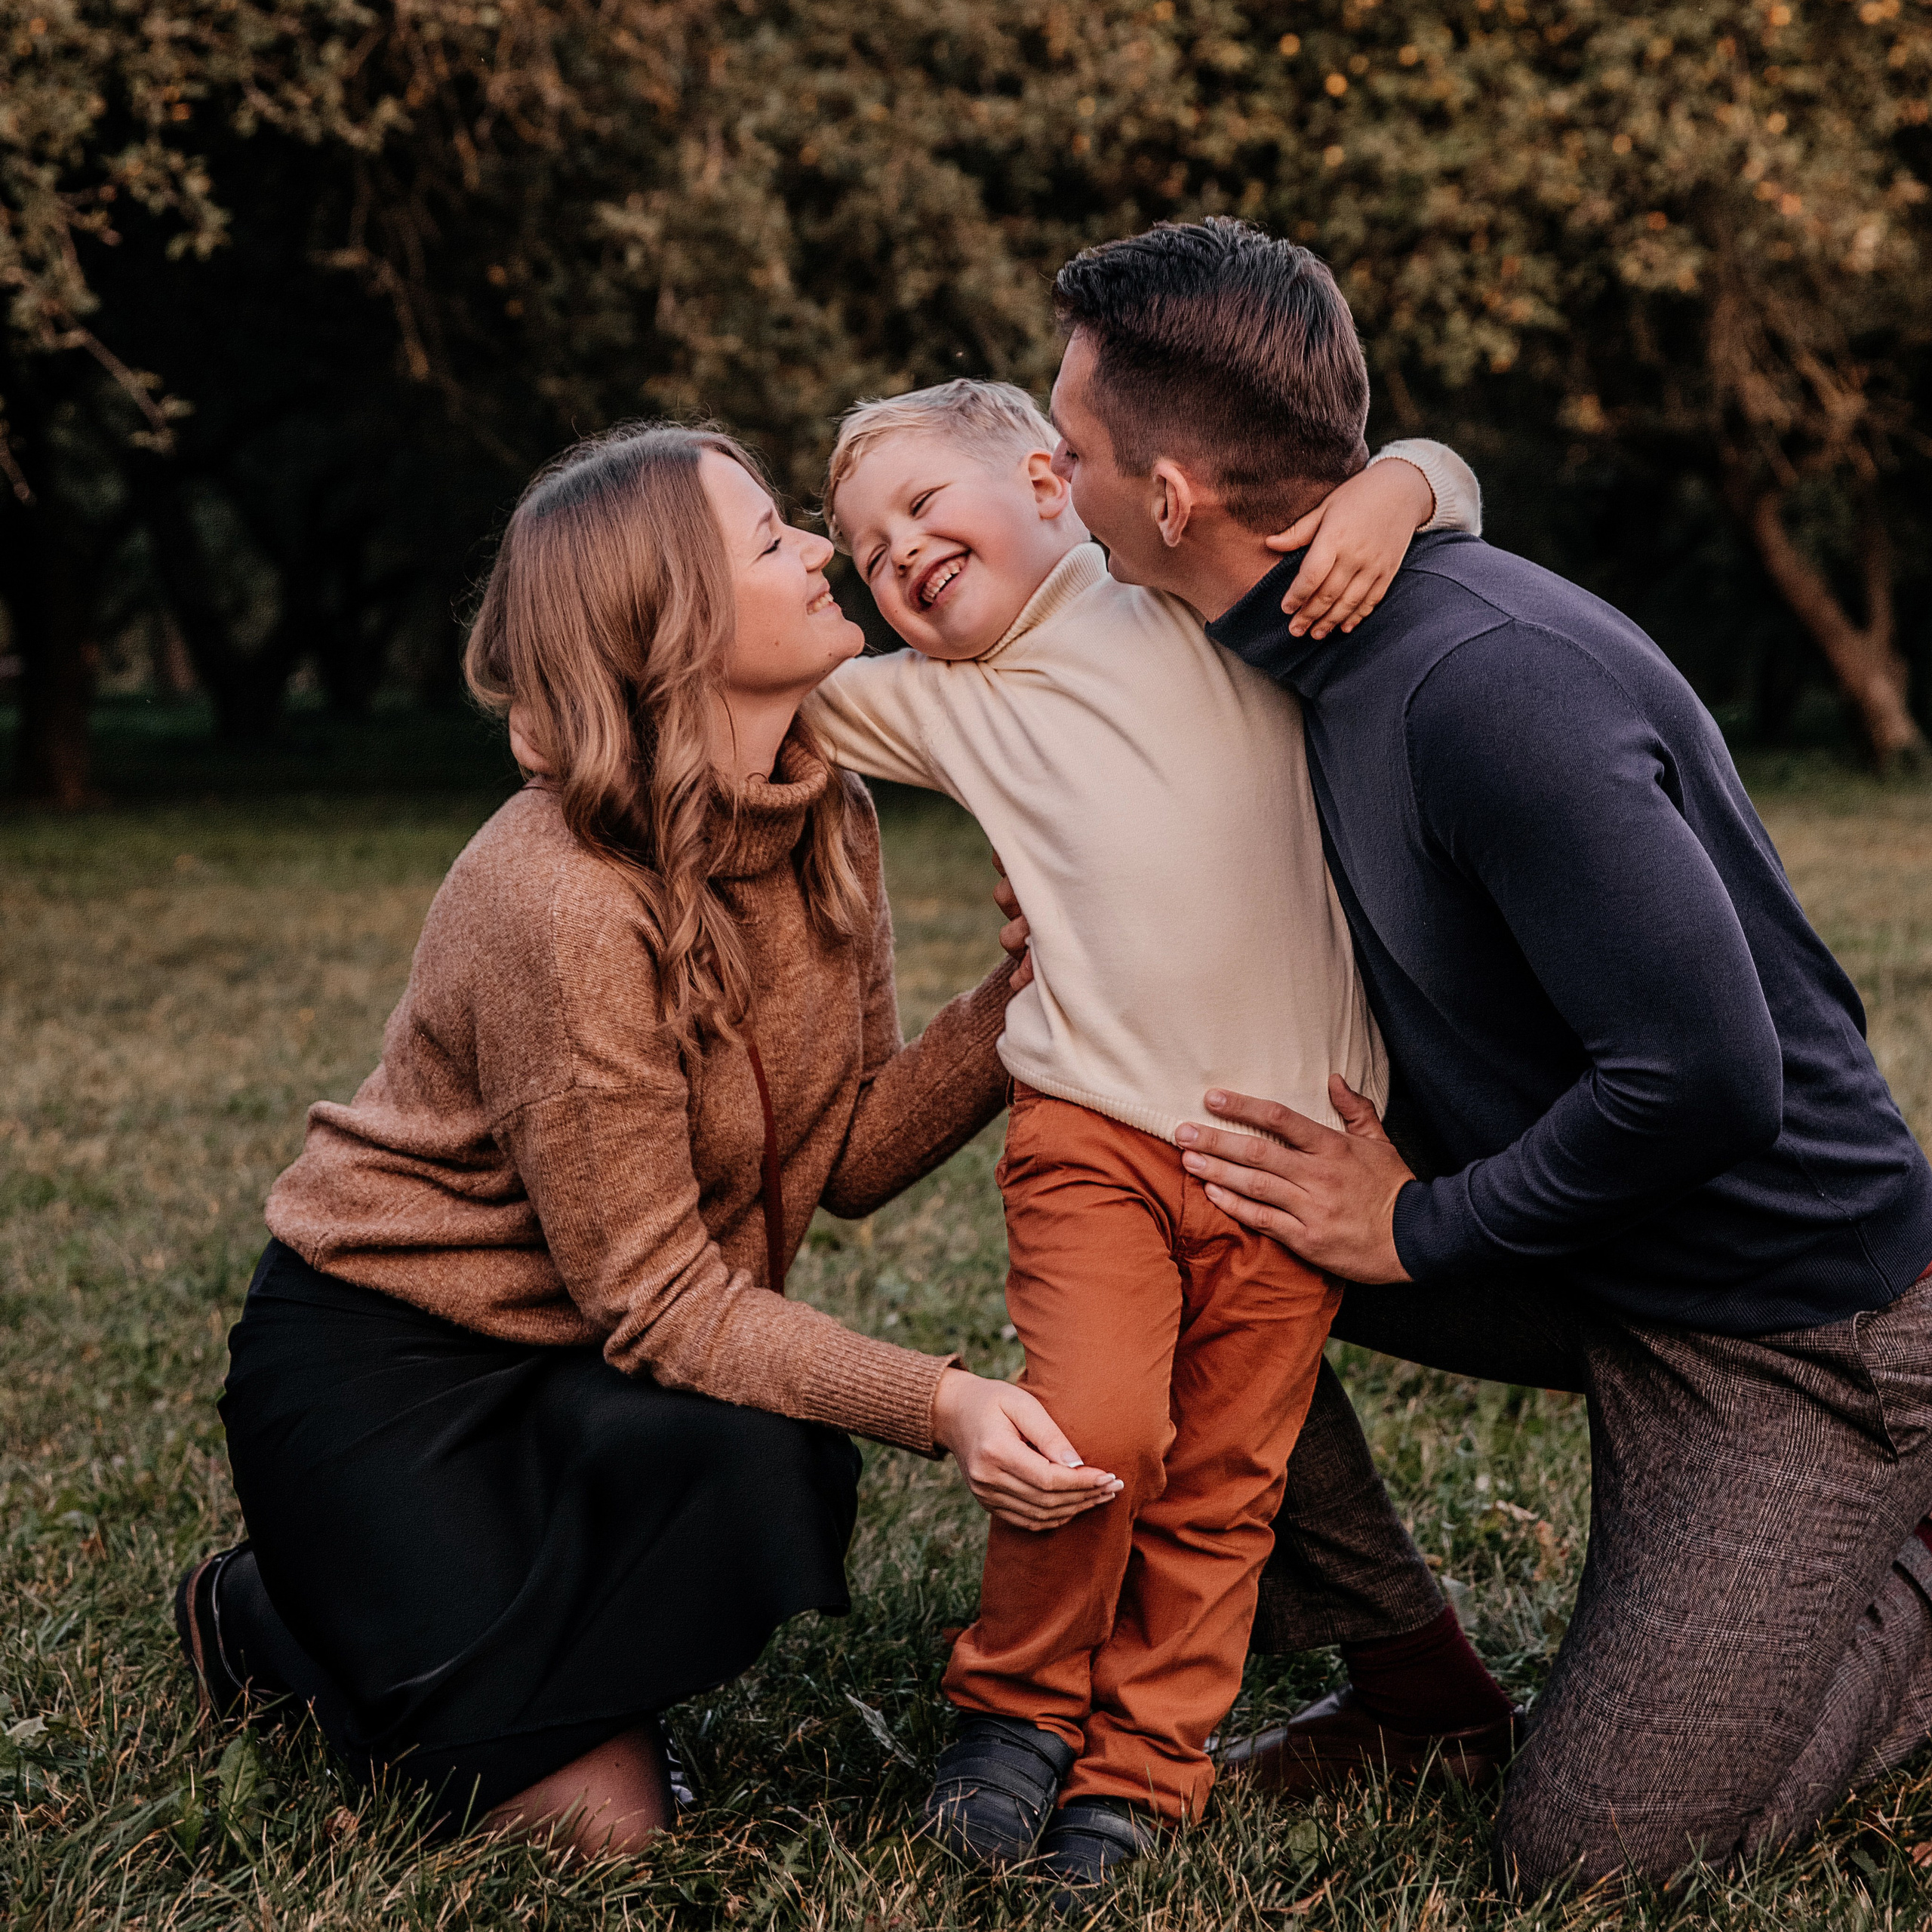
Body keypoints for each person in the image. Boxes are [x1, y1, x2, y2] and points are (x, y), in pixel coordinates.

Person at [1039, 216, 1932, 1892]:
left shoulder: (1480, 686)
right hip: (1583, 1253)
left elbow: (1705, 1074)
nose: (1045, 474)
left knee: (1581, 1856)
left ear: (1171, 499)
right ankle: (1407, 1687)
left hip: (1791, 1323)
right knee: (1176, 1215)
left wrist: (1413, 1229)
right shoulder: (1274, 621)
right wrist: (1411, 474)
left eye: (1067, 447)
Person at [171, 423, 1123, 1856]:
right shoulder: (558, 900)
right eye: (772, 540)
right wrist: (946, 1401)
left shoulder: (830, 814)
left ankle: (493, 1649)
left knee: (775, 1468)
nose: (820, 550)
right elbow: (661, 1299)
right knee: (606, 1828)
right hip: (389, 1367)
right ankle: (263, 1616)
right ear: (671, 628)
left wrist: (1020, 997)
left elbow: (846, 1152)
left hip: (587, 1360)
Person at [803, 380, 1481, 1897]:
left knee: (1224, 1479)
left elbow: (1439, 482)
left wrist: (1394, 488)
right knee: (1093, 1435)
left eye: (923, 507)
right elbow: (749, 669)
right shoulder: (944, 700)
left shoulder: (1191, 601)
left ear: (1055, 480)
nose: (892, 553)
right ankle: (1016, 1713)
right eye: (859, 550)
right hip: (1090, 1135)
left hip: (1289, 1158)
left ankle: (1141, 1769)